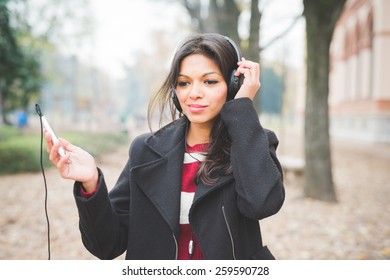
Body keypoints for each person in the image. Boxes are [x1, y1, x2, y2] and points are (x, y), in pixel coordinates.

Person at [45, 33, 285, 260]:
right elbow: (107, 244)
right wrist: (91, 183)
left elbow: (261, 205)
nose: (194, 93)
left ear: (233, 85)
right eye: (184, 83)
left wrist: (242, 105)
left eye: (210, 81)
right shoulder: (146, 151)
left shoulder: (252, 143)